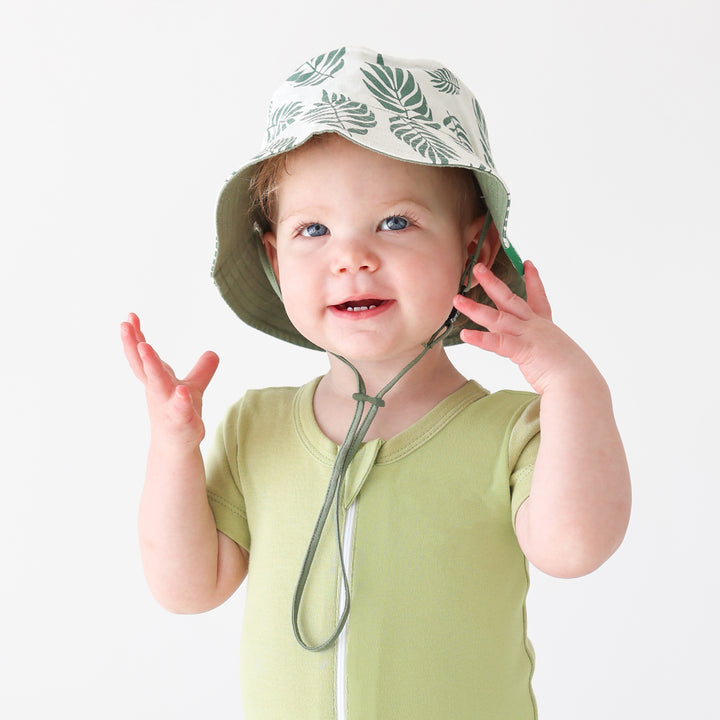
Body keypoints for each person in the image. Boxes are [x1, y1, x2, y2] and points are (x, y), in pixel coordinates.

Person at [121, 46, 631, 719]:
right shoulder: (257, 426)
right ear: (276, 257)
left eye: (395, 222)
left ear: (473, 250)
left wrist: (570, 386)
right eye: (314, 229)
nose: (351, 257)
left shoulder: (511, 431)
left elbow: (574, 549)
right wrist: (172, 449)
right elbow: (188, 587)